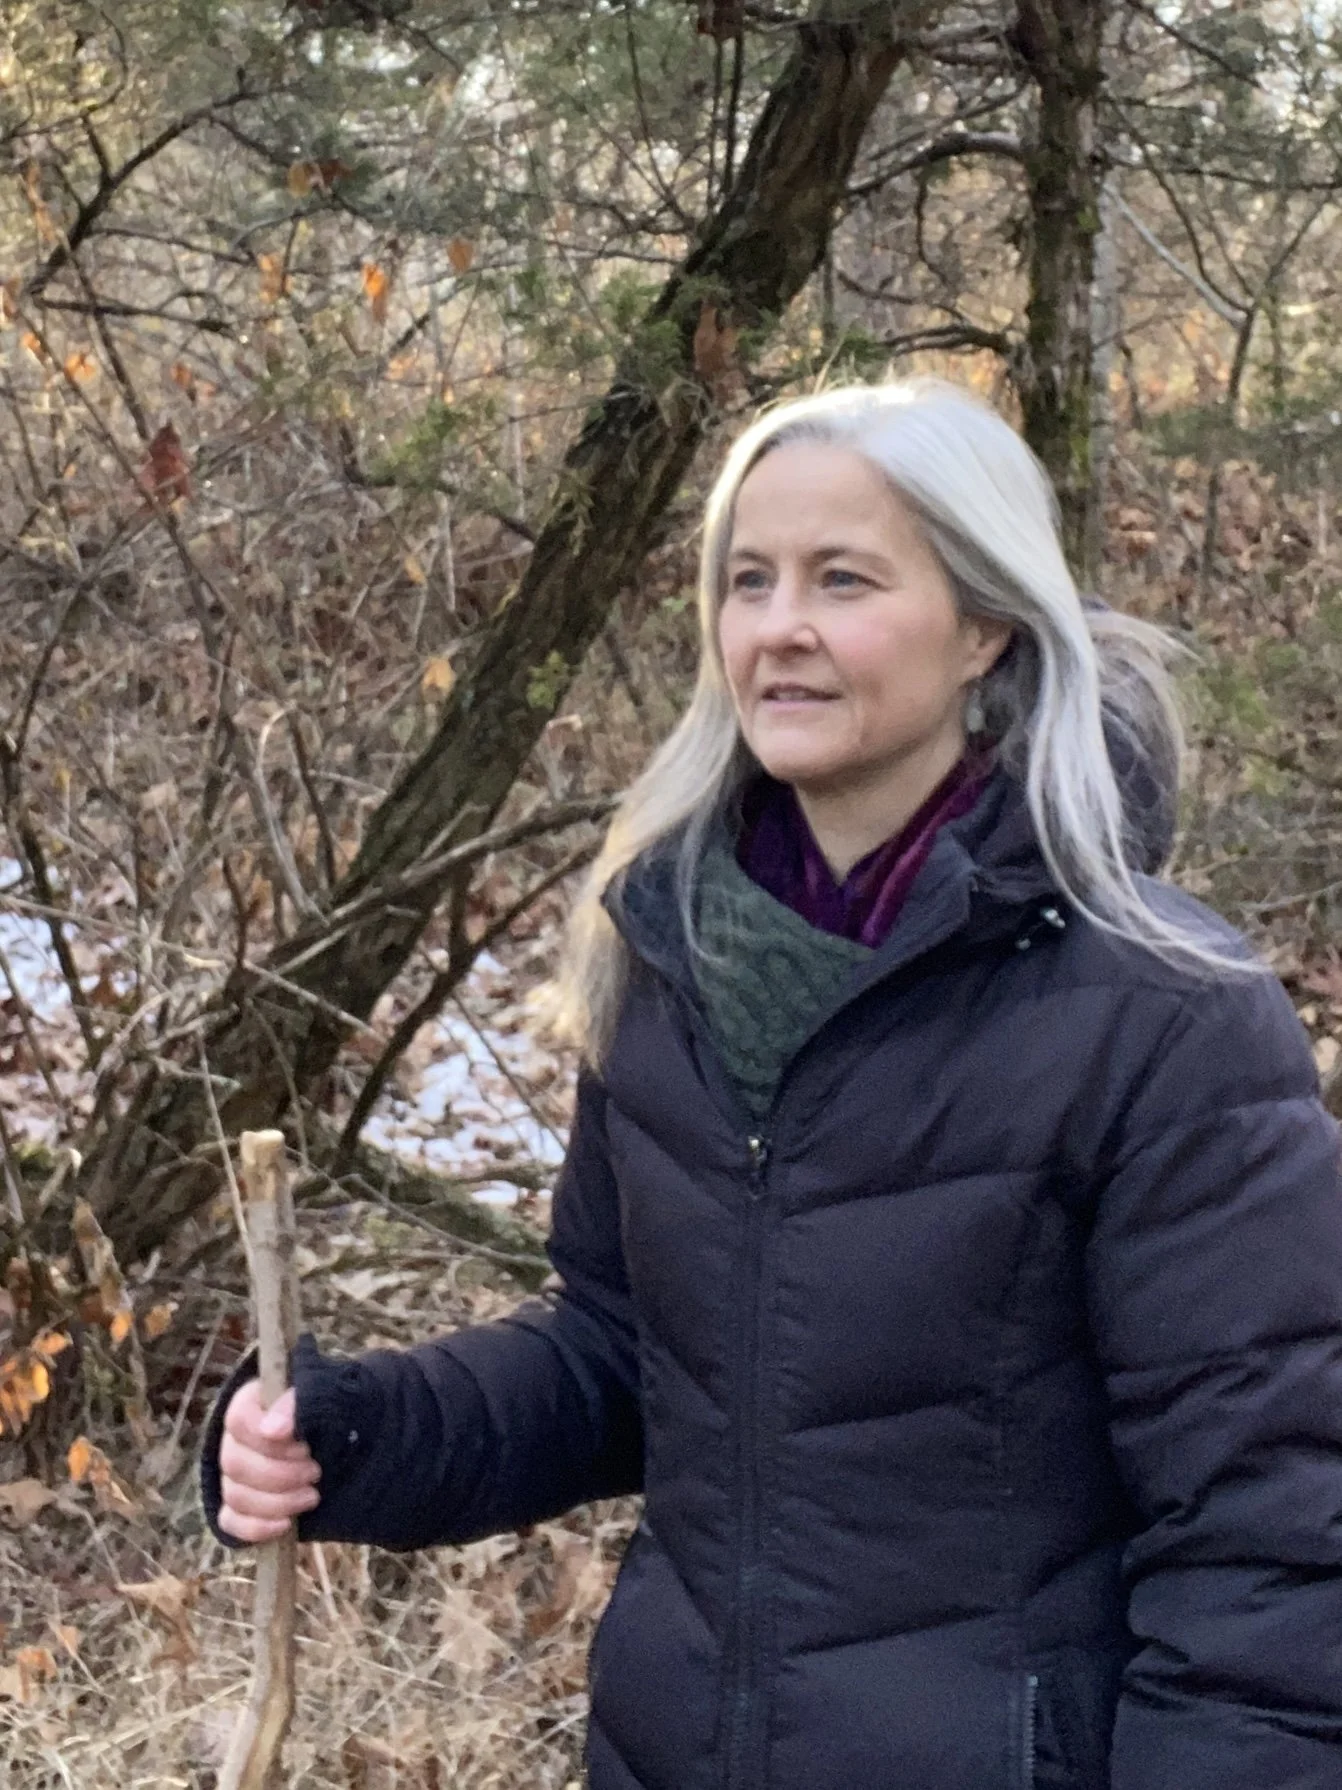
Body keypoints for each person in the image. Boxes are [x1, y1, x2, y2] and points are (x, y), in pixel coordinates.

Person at [201, 379, 1342, 1790]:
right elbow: (626, 1357)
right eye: (749, 580)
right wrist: (355, 1436)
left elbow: (1268, 1535)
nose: (778, 626)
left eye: (842, 578)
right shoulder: (673, 957)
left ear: (983, 625)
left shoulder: (1161, 1015)